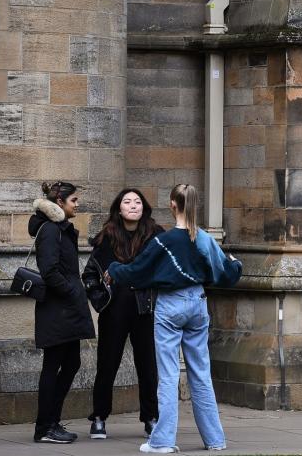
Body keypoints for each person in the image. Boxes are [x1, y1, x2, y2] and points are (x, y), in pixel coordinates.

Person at [107, 184, 243, 454]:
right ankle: (215, 440)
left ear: (172, 204)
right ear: (195, 204)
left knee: (168, 376)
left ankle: (162, 441)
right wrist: (236, 264)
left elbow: (136, 271)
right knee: (201, 374)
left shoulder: (164, 240)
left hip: (170, 305)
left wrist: (113, 268)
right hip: (198, 304)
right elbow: (228, 272)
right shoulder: (203, 238)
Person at [81, 188, 163, 440]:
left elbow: (165, 269)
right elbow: (89, 275)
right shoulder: (107, 236)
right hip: (114, 310)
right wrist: (100, 300)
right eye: (127, 201)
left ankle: (151, 417)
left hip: (144, 309)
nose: (133, 205)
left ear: (144, 207)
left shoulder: (155, 236)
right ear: (119, 208)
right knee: (107, 364)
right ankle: (99, 417)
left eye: (137, 201)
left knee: (148, 366)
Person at [28, 181, 96, 444]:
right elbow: (49, 271)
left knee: (71, 363)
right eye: (74, 200)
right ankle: (45, 427)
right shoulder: (50, 230)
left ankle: (51, 422)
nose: (77, 205)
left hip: (66, 309)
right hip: (58, 310)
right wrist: (72, 292)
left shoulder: (59, 229)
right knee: (53, 365)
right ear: (60, 203)